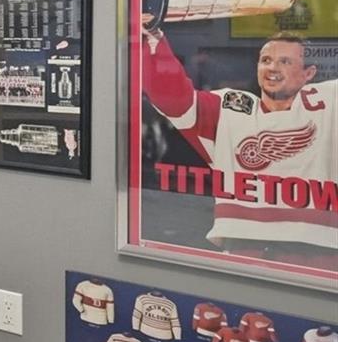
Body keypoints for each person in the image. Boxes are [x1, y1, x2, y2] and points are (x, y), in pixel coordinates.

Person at [142, 28, 338, 264]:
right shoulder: (231, 108)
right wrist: (152, 39)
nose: (272, 68)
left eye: (285, 61)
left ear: (309, 73)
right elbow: (173, 98)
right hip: (244, 249)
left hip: (319, 251)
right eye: (266, 60)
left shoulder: (329, 102)